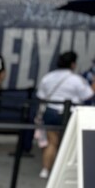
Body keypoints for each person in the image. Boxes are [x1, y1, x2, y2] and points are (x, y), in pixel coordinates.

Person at [37, 50, 94, 179]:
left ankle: (45, 170)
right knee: (68, 143)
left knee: (52, 142)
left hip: (50, 111)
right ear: (73, 64)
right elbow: (88, 95)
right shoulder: (77, 80)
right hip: (70, 114)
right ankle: (63, 172)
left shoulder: (48, 77)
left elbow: (41, 96)